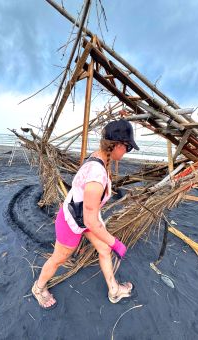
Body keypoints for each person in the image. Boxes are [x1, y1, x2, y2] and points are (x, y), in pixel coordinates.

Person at [32, 118, 139, 310]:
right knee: (59, 259)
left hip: (86, 217)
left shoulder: (100, 158)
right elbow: (89, 218)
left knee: (104, 249)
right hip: (72, 221)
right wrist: (115, 242)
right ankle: (38, 288)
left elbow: (90, 212)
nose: (127, 152)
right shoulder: (97, 175)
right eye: (128, 147)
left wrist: (108, 242)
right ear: (116, 145)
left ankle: (114, 290)